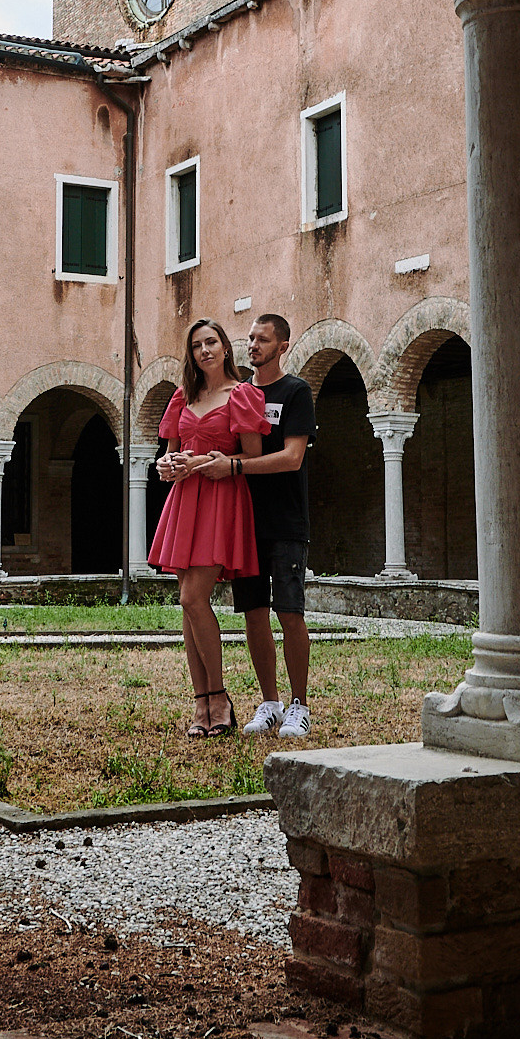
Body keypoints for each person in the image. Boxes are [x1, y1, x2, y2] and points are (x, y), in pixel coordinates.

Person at [187, 312, 315, 738]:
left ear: (283, 346)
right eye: (250, 338)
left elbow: (292, 458)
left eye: (262, 339)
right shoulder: (239, 393)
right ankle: (271, 703)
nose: (253, 345)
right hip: (242, 521)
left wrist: (235, 467)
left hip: (285, 518)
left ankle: (300, 704)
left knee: (290, 612)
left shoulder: (295, 392)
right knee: (254, 614)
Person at [148, 318, 264, 738]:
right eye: (197, 345)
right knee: (187, 603)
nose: (205, 351)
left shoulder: (243, 395)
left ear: (225, 348)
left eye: (211, 342)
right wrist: (166, 465)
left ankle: (218, 697)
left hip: (221, 499)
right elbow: (170, 452)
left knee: (193, 596)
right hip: (184, 502)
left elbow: (251, 459)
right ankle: (202, 702)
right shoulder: (183, 396)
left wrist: (206, 462)